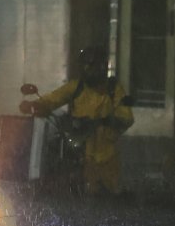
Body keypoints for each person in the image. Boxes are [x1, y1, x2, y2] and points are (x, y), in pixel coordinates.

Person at [19, 46, 134, 195]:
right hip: (78, 153)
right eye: (85, 66)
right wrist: (35, 105)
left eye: (92, 66)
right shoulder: (77, 87)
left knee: (107, 201)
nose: (88, 70)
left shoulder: (114, 90)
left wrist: (104, 121)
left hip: (106, 157)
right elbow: (53, 98)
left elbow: (127, 117)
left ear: (101, 67)